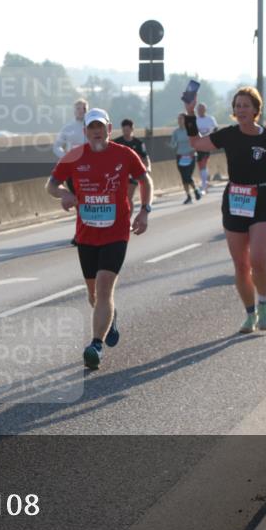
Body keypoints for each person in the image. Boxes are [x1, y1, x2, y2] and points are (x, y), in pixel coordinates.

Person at [185, 87, 266, 333]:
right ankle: (250, 314)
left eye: (246, 105)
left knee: (258, 260)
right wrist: (190, 112)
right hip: (235, 199)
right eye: (237, 106)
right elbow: (195, 143)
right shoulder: (228, 134)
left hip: (262, 199)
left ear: (256, 110)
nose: (241, 110)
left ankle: (264, 303)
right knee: (241, 265)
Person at [46, 108, 151, 369]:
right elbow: (51, 185)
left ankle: (95, 345)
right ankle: (109, 317)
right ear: (85, 131)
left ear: (109, 129)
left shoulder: (125, 154)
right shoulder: (74, 156)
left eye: (100, 126)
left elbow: (145, 179)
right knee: (94, 295)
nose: (96, 131)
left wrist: (144, 211)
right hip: (86, 234)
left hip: (116, 232)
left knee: (105, 287)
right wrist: (64, 195)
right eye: (91, 127)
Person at [54, 99, 89, 245]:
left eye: (84, 108)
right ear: (74, 111)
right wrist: (67, 158)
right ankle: (81, 234)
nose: (81, 111)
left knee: (88, 202)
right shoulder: (68, 128)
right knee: (78, 203)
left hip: (91, 170)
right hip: (73, 171)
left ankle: (86, 232)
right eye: (78, 108)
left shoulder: (93, 127)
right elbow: (56, 146)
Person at [113, 118, 150, 205]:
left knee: (128, 197)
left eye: (127, 130)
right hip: (120, 174)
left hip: (133, 174)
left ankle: (128, 218)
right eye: (124, 130)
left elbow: (145, 157)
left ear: (132, 129)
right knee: (120, 198)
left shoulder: (139, 143)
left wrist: (147, 167)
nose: (126, 132)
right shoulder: (117, 142)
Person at [170, 113, 201, 203]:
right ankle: (188, 196)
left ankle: (195, 189)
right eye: (178, 119)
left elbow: (197, 142)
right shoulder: (176, 132)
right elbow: (173, 143)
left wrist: (193, 150)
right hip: (180, 156)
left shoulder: (191, 130)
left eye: (181, 119)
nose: (179, 121)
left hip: (190, 155)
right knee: (184, 177)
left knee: (188, 176)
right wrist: (172, 145)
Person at [194, 103, 218, 192]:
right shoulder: (195, 120)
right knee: (201, 164)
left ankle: (204, 184)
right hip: (198, 144)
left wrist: (211, 137)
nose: (200, 111)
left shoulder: (210, 119)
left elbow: (216, 129)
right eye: (199, 109)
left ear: (205, 110)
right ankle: (205, 181)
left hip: (207, 143)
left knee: (203, 163)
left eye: (202, 109)